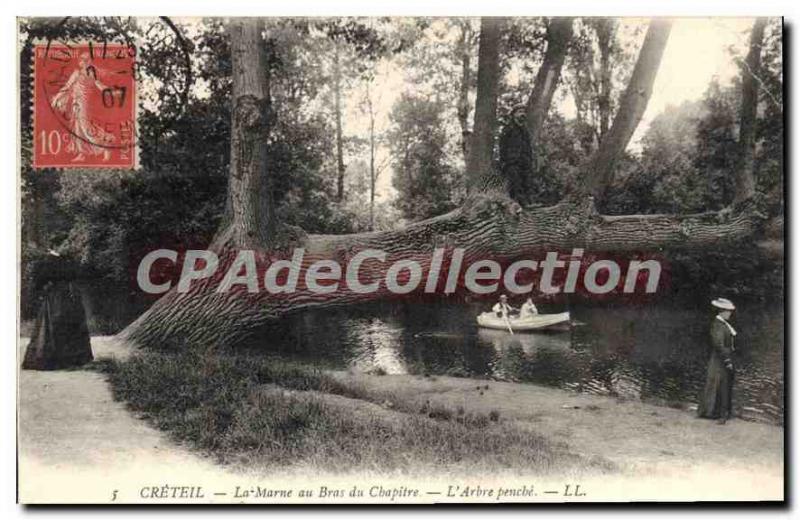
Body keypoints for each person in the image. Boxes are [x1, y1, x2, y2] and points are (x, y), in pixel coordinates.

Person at [22, 249, 93, 370]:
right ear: (54, 247)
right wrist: (45, 289)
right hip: (55, 299)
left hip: (67, 297)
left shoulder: (65, 259)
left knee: (69, 324)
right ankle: (58, 360)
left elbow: (75, 275)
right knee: (55, 325)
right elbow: (39, 282)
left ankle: (71, 359)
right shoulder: (48, 261)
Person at [697, 297, 737, 424]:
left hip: (722, 358)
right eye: (728, 311)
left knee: (721, 385)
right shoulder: (718, 325)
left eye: (730, 311)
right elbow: (718, 344)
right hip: (719, 360)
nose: (730, 313)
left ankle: (716, 412)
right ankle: (715, 413)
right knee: (719, 385)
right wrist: (727, 360)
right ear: (722, 311)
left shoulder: (723, 324)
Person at [498, 104, 533, 205]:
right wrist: (504, 162)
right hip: (512, 162)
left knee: (527, 183)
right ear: (513, 115)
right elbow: (502, 147)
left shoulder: (525, 132)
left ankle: (529, 204)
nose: (523, 114)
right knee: (515, 185)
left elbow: (529, 148)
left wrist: (530, 160)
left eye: (523, 112)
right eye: (519, 112)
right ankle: (517, 204)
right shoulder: (508, 129)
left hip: (525, 162)